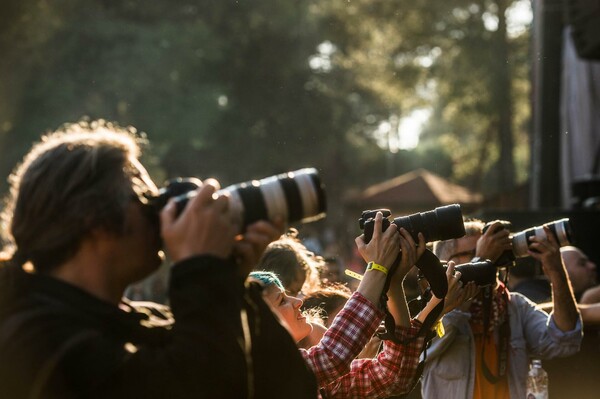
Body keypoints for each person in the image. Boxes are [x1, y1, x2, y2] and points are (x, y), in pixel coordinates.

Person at [0, 120, 317, 399]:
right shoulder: (36, 344)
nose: (161, 216)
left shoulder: (145, 321)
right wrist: (202, 270)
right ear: (93, 220)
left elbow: (290, 389)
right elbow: (208, 388)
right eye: (145, 200)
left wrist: (233, 286)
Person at [251, 212, 464, 399]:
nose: (298, 301)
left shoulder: (318, 384)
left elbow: (392, 376)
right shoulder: (263, 371)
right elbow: (332, 355)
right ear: (257, 323)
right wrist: (378, 266)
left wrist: (393, 283)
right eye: (282, 300)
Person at [422, 219, 582, 399]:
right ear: (446, 263)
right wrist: (481, 261)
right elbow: (426, 345)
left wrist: (556, 271)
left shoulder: (514, 306)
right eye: (473, 252)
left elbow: (565, 340)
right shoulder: (432, 310)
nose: (493, 257)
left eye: (494, 249)